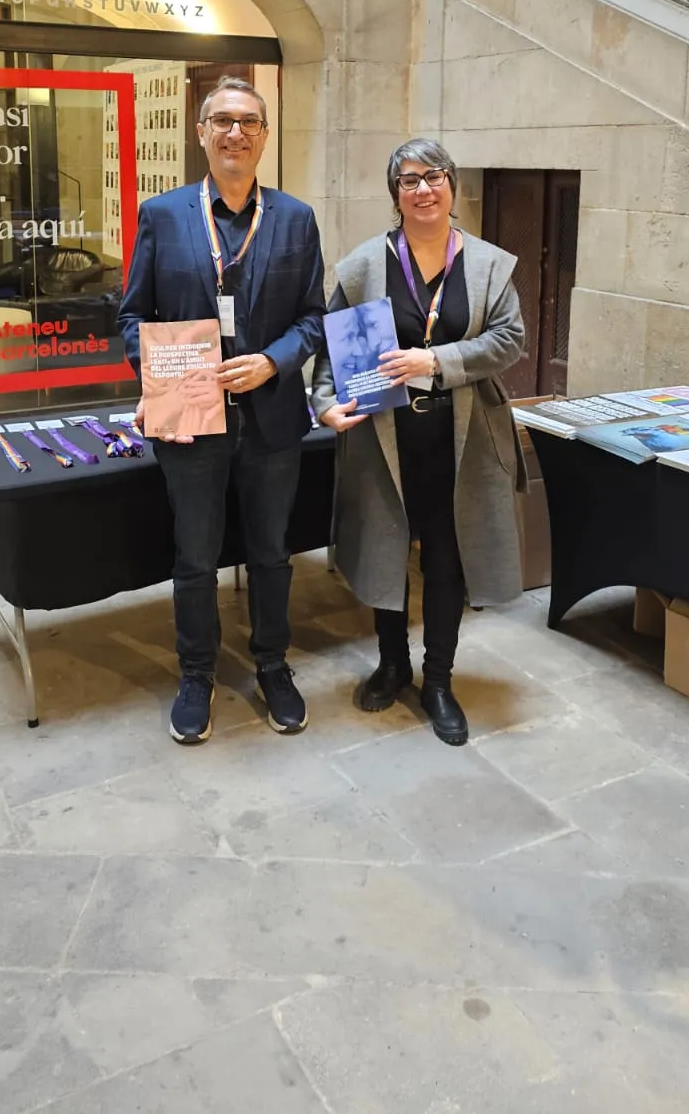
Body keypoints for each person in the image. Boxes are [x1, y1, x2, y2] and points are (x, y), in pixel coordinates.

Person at [118, 76, 326, 745]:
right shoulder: (162, 215)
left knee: (271, 554)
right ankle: (196, 675)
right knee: (195, 559)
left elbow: (313, 318)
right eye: (223, 121)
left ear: (264, 135)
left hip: (271, 418)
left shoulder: (295, 218)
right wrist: (160, 378)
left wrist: (272, 361)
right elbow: (131, 317)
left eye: (249, 121)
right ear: (201, 132)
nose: (236, 132)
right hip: (189, 422)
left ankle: (272, 665)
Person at [311, 139, 526, 746]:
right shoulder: (363, 266)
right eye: (409, 180)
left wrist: (436, 361)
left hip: (462, 439)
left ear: (452, 185)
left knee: (447, 559)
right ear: (395, 194)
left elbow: (510, 340)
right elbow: (332, 350)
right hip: (386, 436)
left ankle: (438, 680)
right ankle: (392, 665)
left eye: (434, 176)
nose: (424, 189)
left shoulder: (487, 265)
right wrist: (323, 401)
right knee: (385, 549)